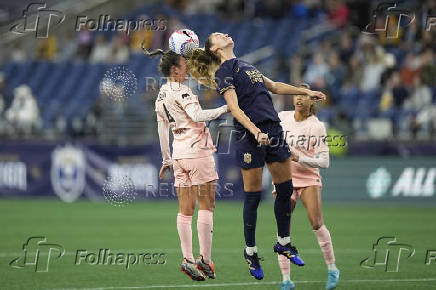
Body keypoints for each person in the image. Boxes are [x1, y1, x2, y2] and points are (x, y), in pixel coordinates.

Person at [186, 32, 326, 280]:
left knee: (285, 189)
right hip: (250, 134)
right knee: (252, 197)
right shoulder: (223, 72)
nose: (224, 34)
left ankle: (283, 242)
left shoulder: (246, 66)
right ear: (216, 49)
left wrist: (305, 93)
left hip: (273, 128)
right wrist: (255, 131)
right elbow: (234, 108)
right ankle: (250, 252)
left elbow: (274, 86)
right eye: (218, 35)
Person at [145, 47, 229, 281]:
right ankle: (205, 259)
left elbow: (161, 127)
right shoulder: (182, 91)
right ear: (174, 69)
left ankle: (187, 258)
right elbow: (198, 116)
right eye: (185, 65)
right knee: (206, 206)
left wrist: (166, 159)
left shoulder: (161, 94)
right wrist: (226, 108)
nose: (189, 69)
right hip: (197, 152)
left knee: (185, 210)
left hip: (179, 154)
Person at [273, 84, 340, 290]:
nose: (300, 98)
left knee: (316, 223)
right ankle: (286, 281)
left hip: (309, 178)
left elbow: (325, 161)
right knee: (283, 230)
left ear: (312, 101)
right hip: (285, 179)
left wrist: (299, 157)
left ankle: (332, 269)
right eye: (297, 95)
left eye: (305, 95)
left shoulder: (316, 126)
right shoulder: (282, 117)